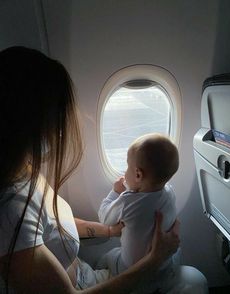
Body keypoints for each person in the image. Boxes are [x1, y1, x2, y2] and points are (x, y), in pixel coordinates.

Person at [0, 46, 181, 294]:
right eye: (56, 120)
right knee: (193, 282)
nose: (59, 131)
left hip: (87, 275)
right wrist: (154, 261)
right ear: (27, 123)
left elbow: (50, 223)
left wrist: (109, 230)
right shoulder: (9, 214)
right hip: (85, 286)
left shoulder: (23, 169)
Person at [98, 134, 179, 292]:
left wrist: (114, 192)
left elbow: (104, 217)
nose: (125, 170)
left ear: (138, 175)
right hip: (163, 270)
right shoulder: (170, 193)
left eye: (127, 166)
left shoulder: (128, 201)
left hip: (130, 270)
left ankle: (98, 274)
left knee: (110, 255)